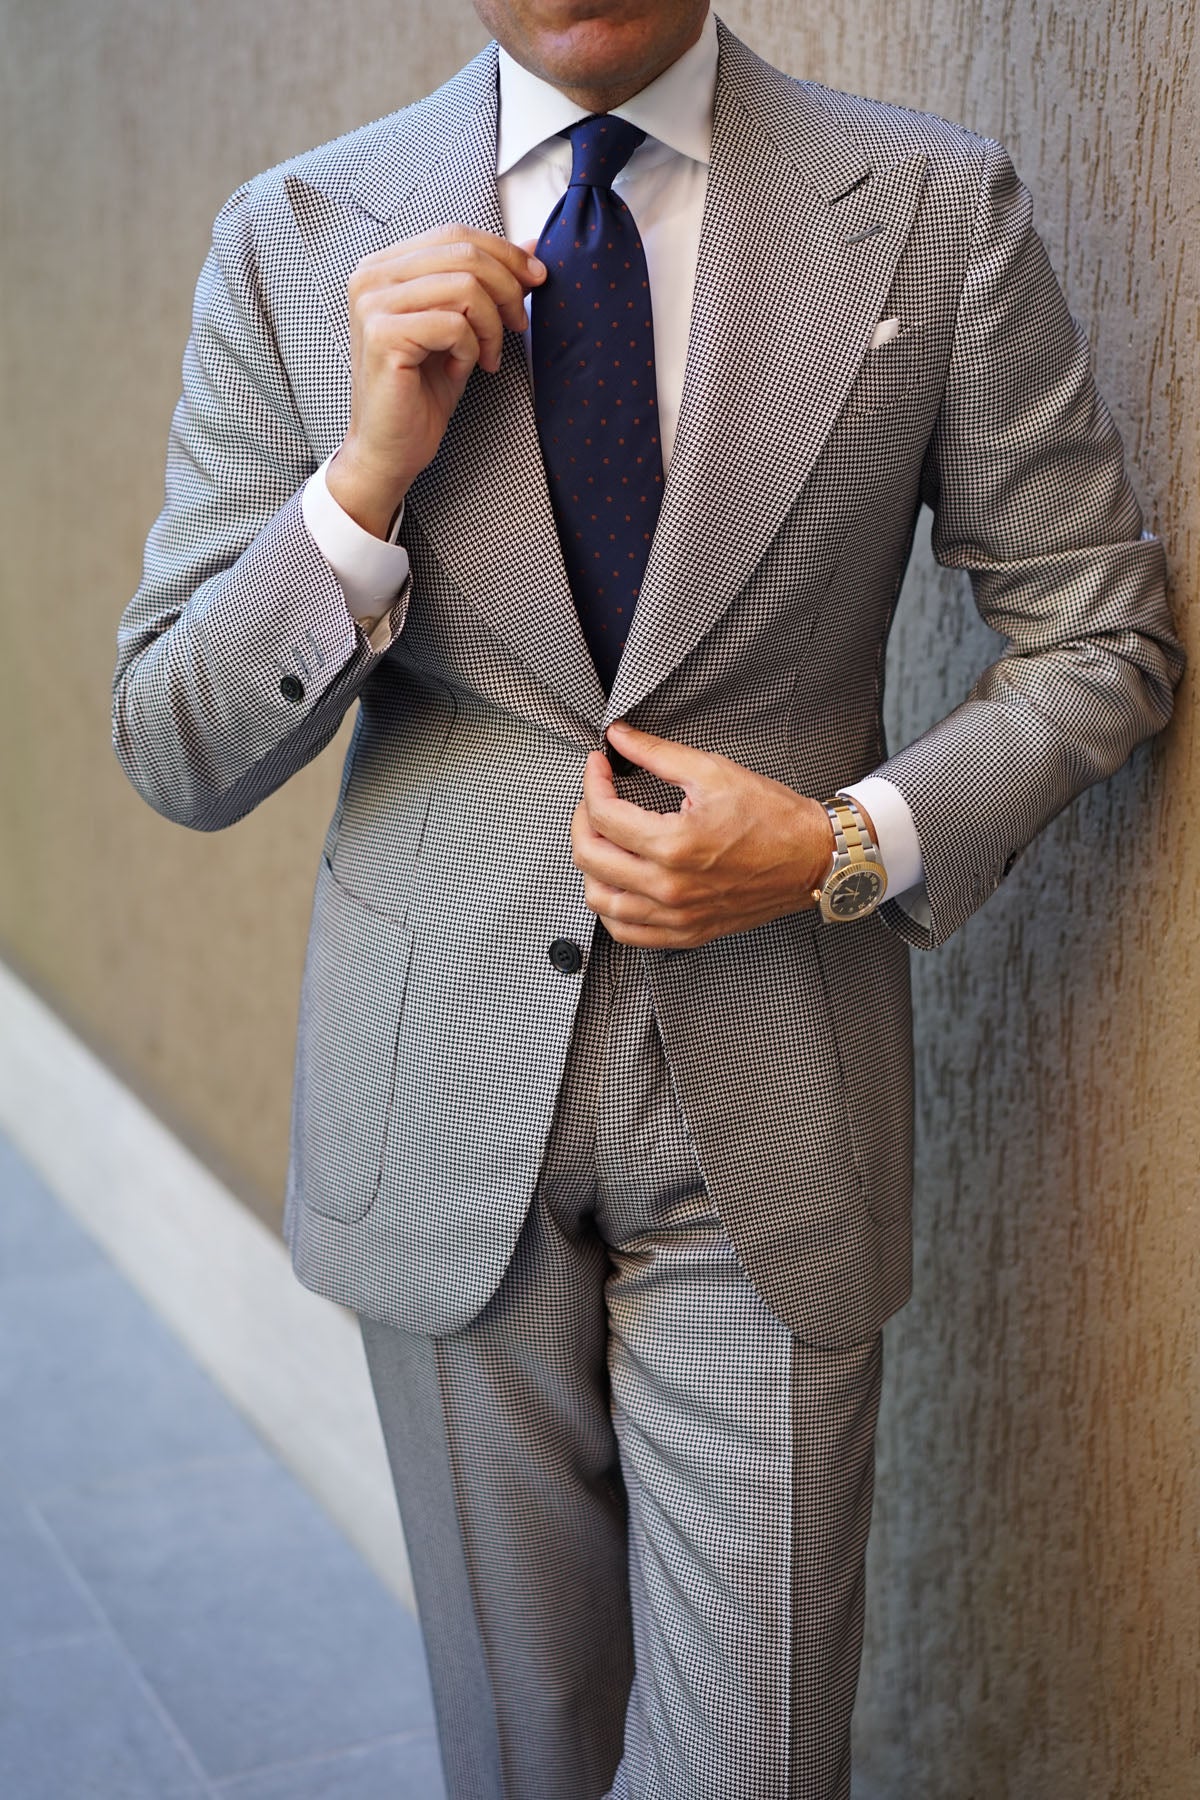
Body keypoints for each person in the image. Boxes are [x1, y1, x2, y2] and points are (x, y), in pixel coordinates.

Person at [112, 3, 1182, 1796]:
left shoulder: (928, 207)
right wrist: (357, 490)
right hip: (434, 1109)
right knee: (522, 1751)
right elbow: (175, 741)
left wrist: (845, 839)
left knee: (755, 1759)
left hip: (776, 1094)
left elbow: (1104, 630)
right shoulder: (297, 237)